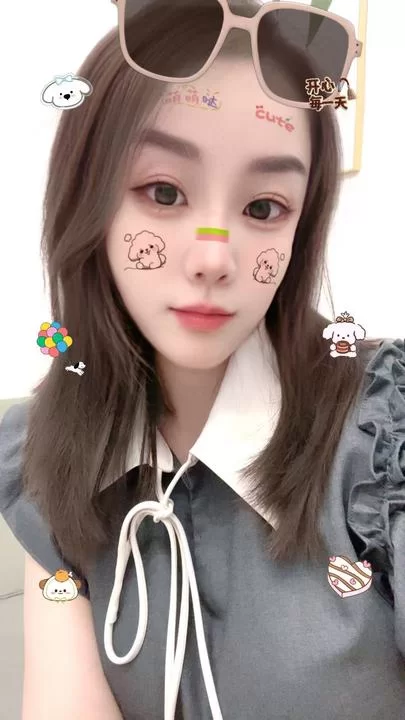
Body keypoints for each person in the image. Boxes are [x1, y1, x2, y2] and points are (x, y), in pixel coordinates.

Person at [1, 2, 404, 719]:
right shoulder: (50, 453)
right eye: (163, 192)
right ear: (89, 202)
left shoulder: (382, 436)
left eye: (264, 208)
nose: (214, 257)